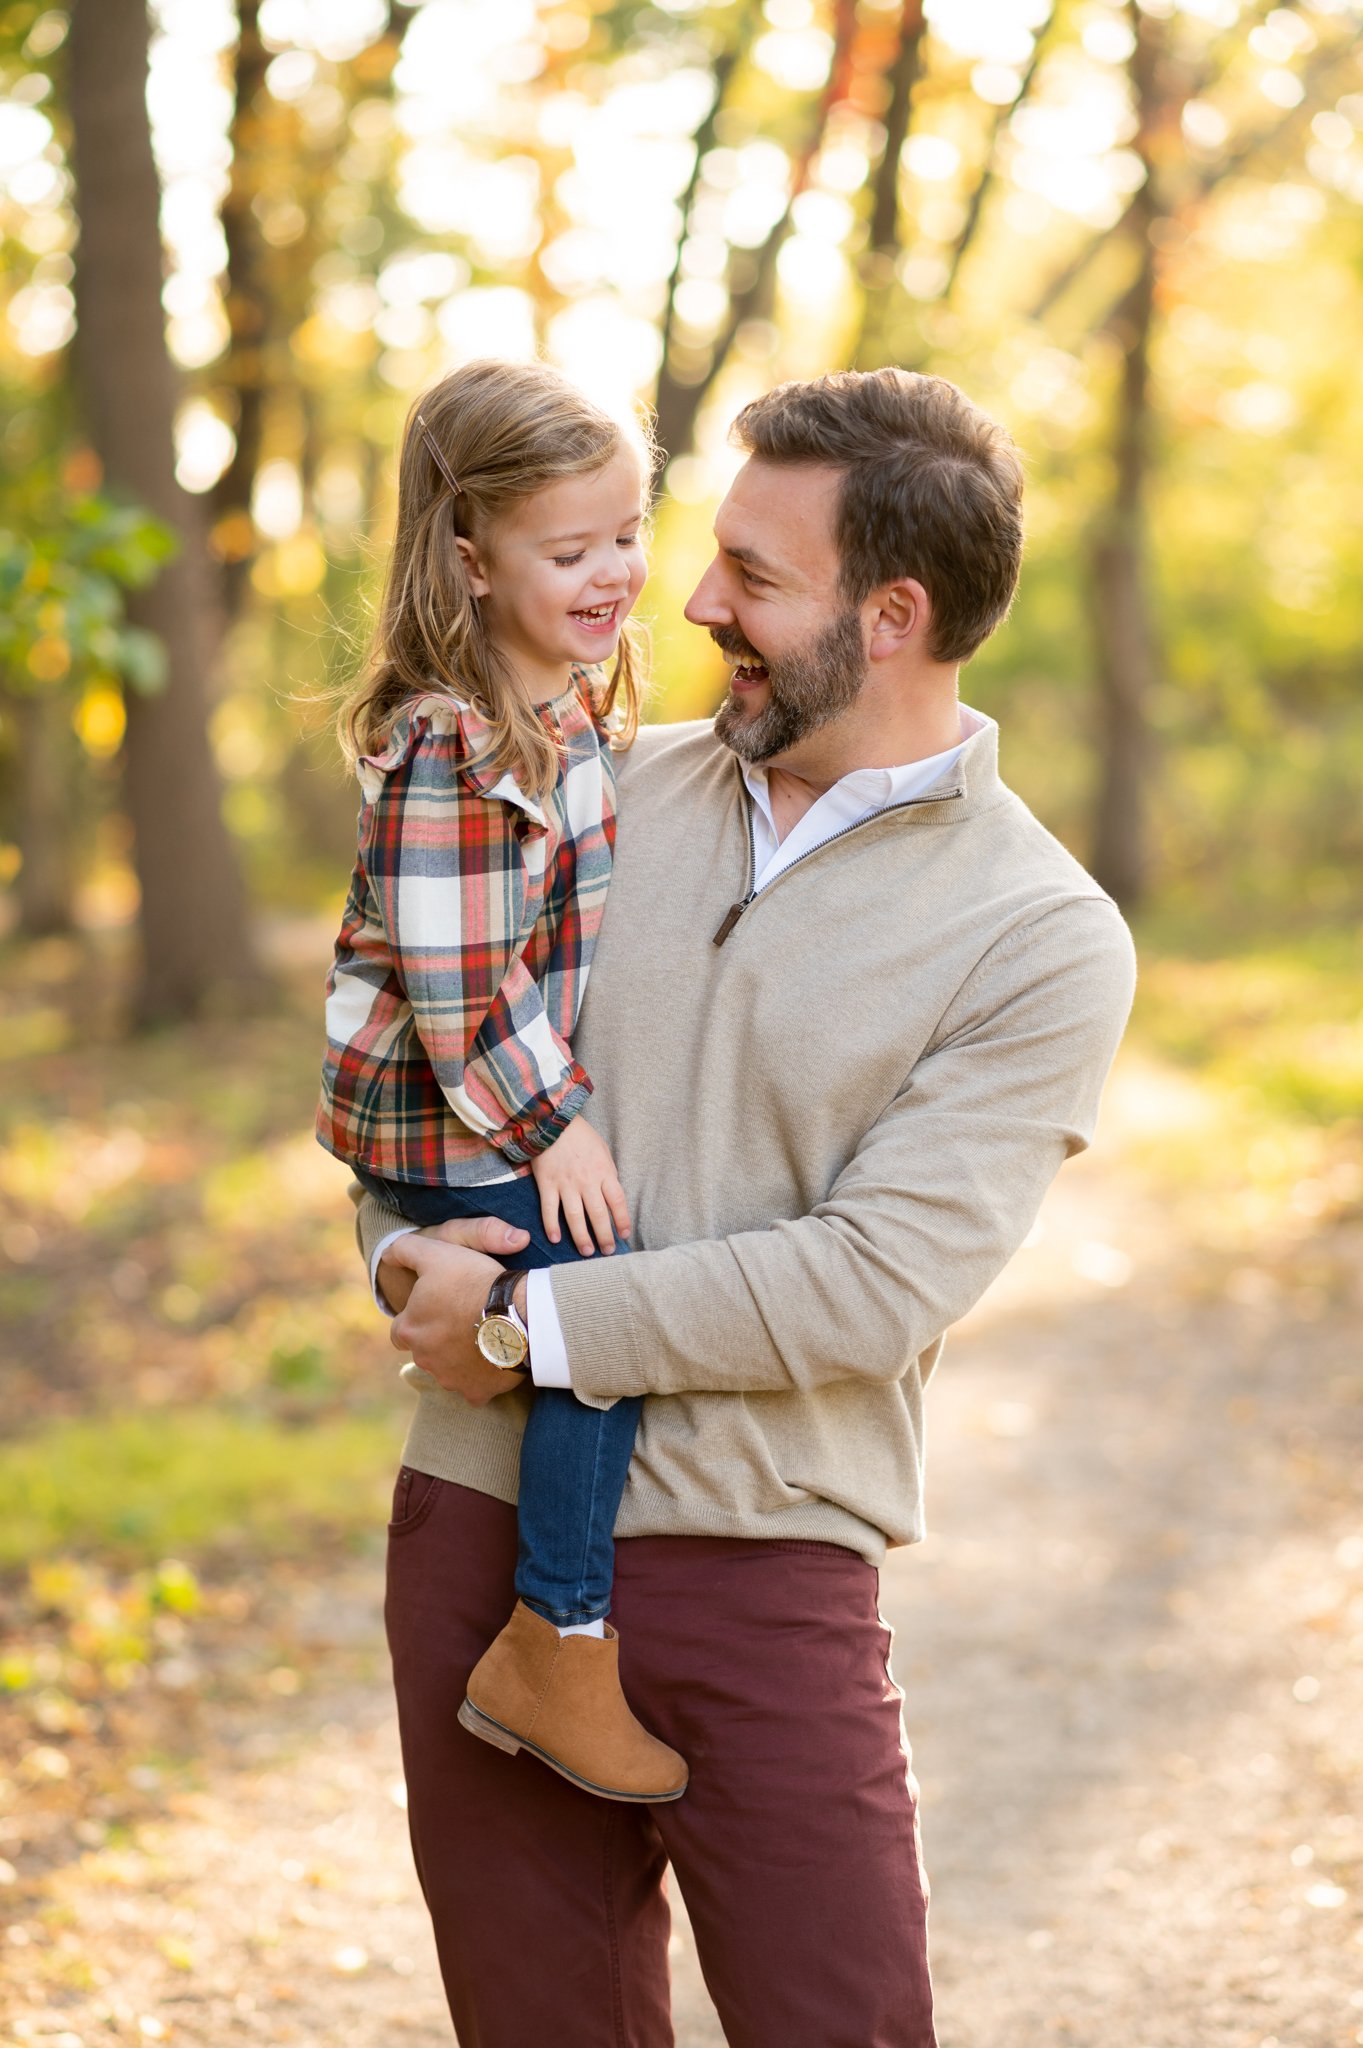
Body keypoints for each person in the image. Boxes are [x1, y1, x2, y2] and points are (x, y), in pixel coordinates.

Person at [359, 368, 1137, 2048]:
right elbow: (416, 1055)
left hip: (764, 1567)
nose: (691, 602)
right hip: (478, 1535)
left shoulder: (1039, 935)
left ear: (895, 613)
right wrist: (404, 1260)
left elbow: (872, 1284)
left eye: (754, 578)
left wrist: (527, 1321)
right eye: (700, 553)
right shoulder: (588, 784)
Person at [317, 359, 688, 1803]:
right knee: (604, 1306)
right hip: (451, 1112)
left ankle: (555, 1613)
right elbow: (457, 984)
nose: (612, 574)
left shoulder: (571, 715)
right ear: (471, 563)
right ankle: (557, 1637)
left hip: (479, 1101)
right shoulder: (454, 747)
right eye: (568, 549)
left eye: (624, 535)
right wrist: (563, 1130)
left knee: (576, 1302)